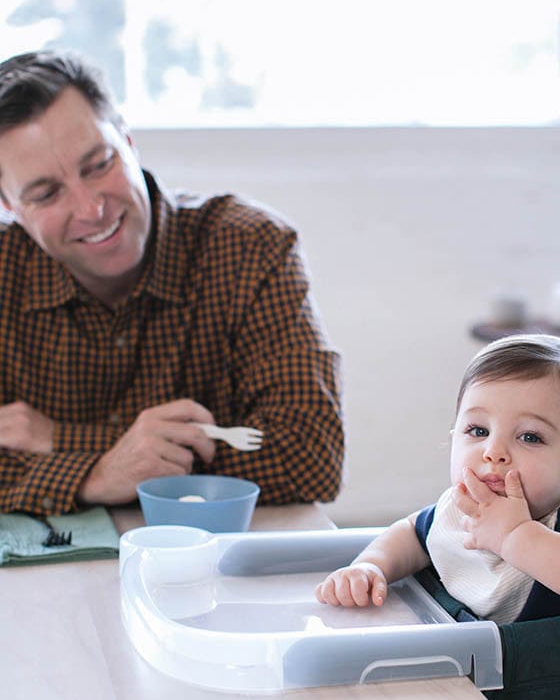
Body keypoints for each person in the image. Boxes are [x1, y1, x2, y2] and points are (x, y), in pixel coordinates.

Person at [0, 50, 344, 515]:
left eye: (99, 164)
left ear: (128, 141)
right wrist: (96, 477)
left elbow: (310, 456)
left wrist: (61, 441)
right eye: (46, 193)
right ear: (9, 207)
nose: (90, 208)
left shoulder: (249, 247)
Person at [316, 334, 560, 620]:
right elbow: (411, 535)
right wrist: (371, 567)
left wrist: (515, 535)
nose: (493, 451)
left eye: (530, 437)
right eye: (478, 430)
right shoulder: (461, 510)